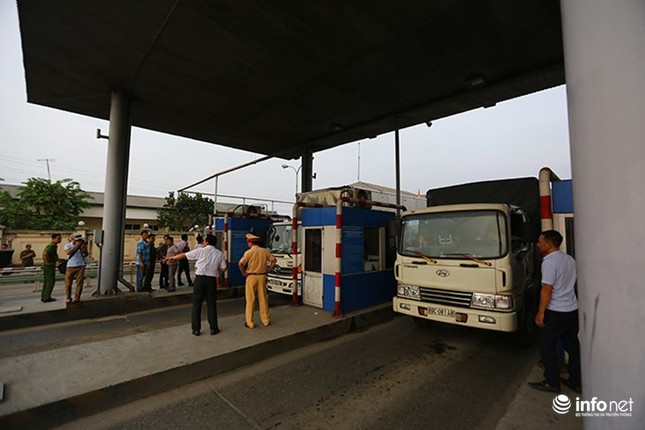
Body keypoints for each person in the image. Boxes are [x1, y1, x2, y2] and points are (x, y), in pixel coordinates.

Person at [529, 230, 582, 394]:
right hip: (572, 310)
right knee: (572, 346)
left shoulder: (549, 262)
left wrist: (540, 312)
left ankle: (552, 382)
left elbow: (547, 289)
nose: (538, 244)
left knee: (547, 346)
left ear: (549, 244)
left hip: (555, 311)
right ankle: (576, 381)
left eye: (540, 241)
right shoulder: (569, 259)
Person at [166, 234, 226, 336]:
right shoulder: (220, 254)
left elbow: (184, 255)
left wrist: (173, 258)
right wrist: (216, 269)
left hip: (200, 279)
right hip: (211, 280)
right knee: (211, 304)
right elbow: (224, 268)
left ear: (206, 242)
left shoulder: (200, 250)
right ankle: (213, 328)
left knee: (197, 304)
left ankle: (196, 329)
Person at [238, 232, 276, 329]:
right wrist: (268, 270)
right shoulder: (265, 251)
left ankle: (250, 322)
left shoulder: (249, 252)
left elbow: (240, 264)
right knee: (263, 299)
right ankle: (265, 320)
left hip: (251, 277)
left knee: (250, 300)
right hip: (262, 276)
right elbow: (274, 260)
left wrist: (244, 273)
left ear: (250, 243)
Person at [64, 233, 88, 304]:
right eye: (76, 240)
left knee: (79, 282)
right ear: (72, 239)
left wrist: (82, 248)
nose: (78, 241)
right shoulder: (68, 245)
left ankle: (77, 296)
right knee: (68, 283)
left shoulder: (82, 246)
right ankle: (68, 297)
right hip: (70, 266)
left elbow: (86, 254)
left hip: (81, 265)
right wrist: (76, 246)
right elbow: (68, 252)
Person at [41, 233, 62, 303]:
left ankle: (43, 296)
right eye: (58, 238)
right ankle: (47, 297)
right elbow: (45, 254)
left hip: (48, 265)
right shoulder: (52, 246)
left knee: (46, 281)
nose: (60, 240)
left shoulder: (52, 245)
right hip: (49, 265)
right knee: (50, 281)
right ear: (54, 238)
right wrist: (47, 262)